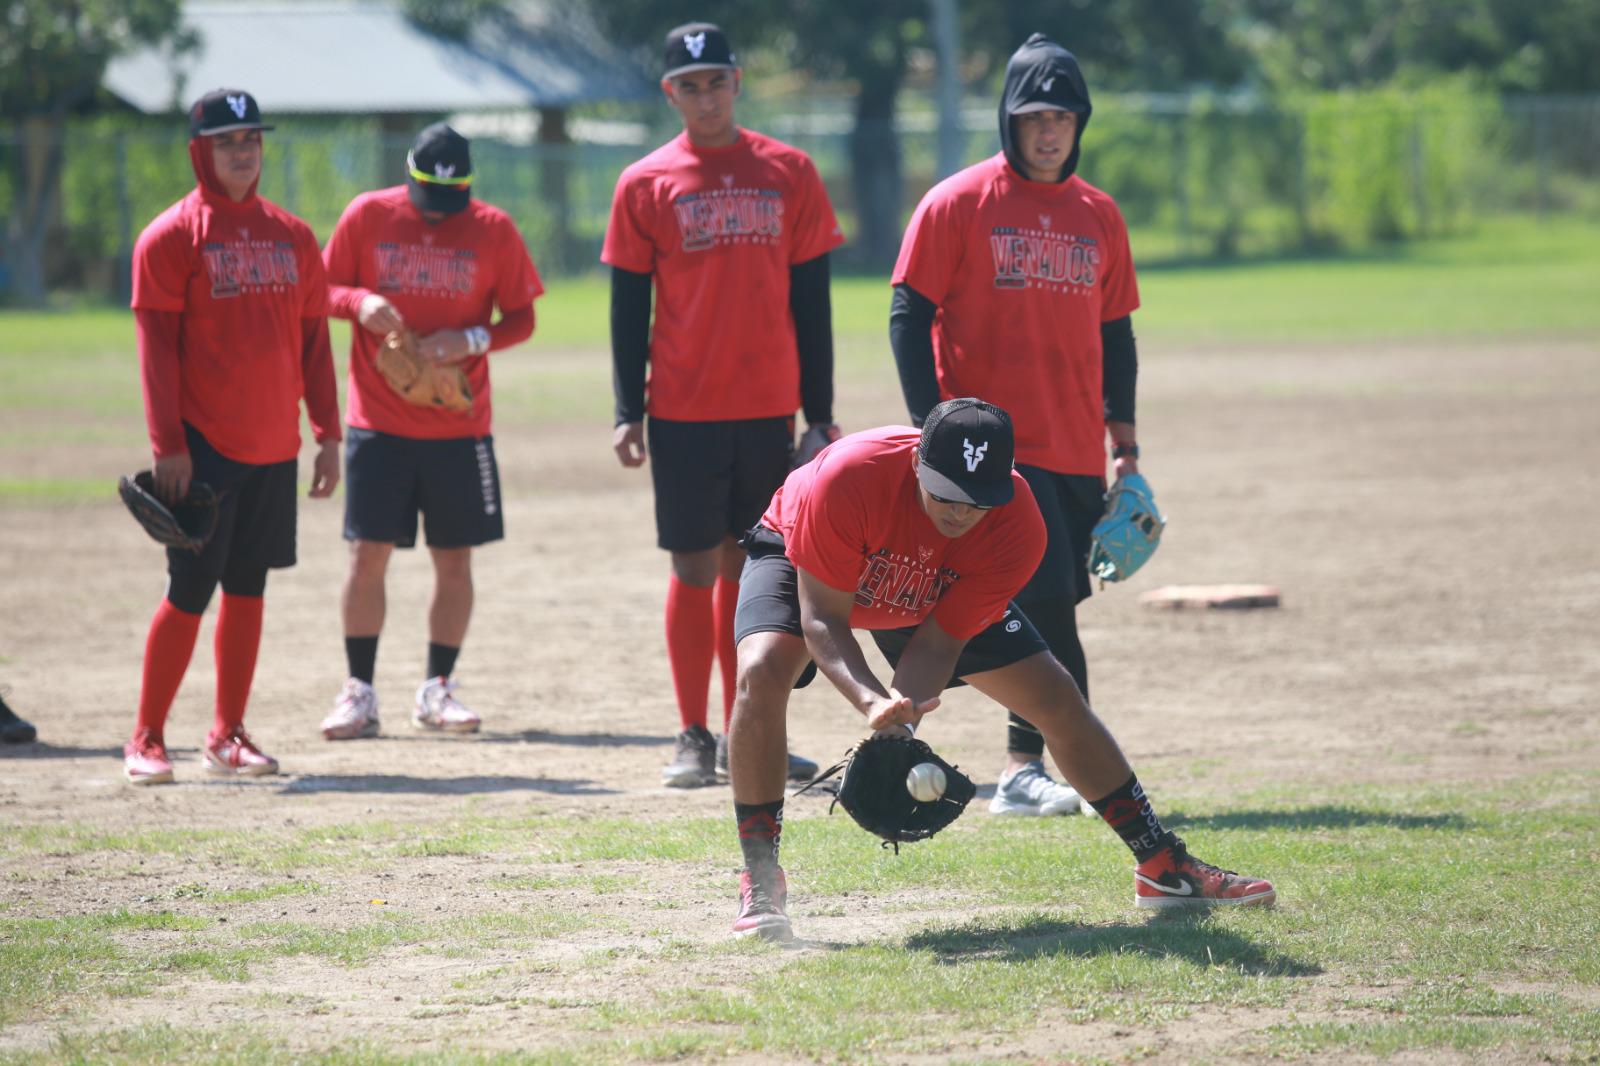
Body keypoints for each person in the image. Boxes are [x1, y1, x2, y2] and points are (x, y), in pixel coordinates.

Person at [726, 399, 1274, 940]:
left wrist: (900, 725)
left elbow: (939, 643)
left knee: (1055, 697)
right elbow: (823, 617)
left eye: (978, 500)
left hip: (927, 584)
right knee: (761, 670)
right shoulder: (848, 479)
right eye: (946, 494)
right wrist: (871, 701)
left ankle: (1162, 867)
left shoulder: (1017, 527)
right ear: (917, 461)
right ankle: (761, 872)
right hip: (804, 558)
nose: (960, 512)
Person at [890, 33, 1142, 818]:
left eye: (1064, 116)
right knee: (1047, 620)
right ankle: (1027, 772)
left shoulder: (1099, 214)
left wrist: (1125, 448)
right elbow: (908, 314)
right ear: (1009, 118)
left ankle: (1021, 767)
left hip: (1073, 449)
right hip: (994, 455)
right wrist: (931, 428)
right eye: (1034, 114)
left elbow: (1117, 337)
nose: (1049, 130)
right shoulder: (958, 201)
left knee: (1046, 608)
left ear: (1080, 123)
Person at [602, 21, 843, 788]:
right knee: (692, 565)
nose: (704, 96)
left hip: (768, 409)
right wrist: (625, 410)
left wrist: (820, 413)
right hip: (680, 407)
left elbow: (813, 302)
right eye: (688, 85)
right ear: (670, 93)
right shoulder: (646, 182)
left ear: (737, 82)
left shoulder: (788, 171)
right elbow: (626, 306)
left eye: (716, 81)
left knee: (754, 569)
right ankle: (692, 734)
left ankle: (751, 726)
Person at [123, 88, 342, 785]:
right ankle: (147, 736)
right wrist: (169, 446)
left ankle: (227, 733)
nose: (243, 152)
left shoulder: (294, 236)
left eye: (251, 139)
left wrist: (327, 432)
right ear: (200, 151)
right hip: (205, 445)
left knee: (249, 589)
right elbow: (155, 348)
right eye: (227, 141)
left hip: (275, 443)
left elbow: (315, 341)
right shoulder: (171, 237)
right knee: (190, 589)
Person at [318, 123, 542, 740]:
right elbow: (322, 289)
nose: (438, 214)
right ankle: (359, 691)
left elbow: (522, 317)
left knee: (454, 558)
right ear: (409, 177)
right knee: (368, 555)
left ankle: (437, 690)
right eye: (427, 198)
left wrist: (471, 339)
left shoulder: (493, 228)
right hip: (377, 422)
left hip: (459, 425)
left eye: (452, 202)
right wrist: (359, 303)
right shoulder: (368, 216)